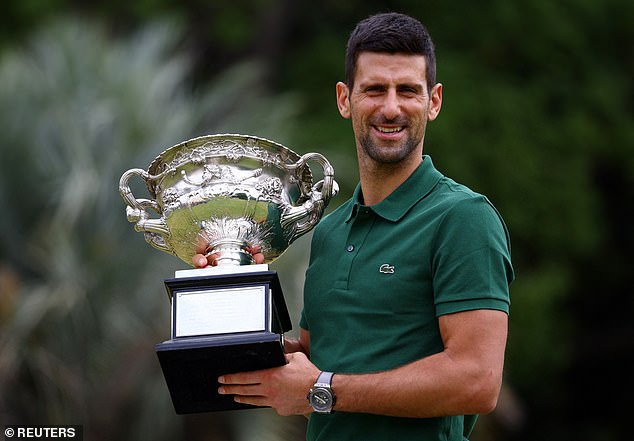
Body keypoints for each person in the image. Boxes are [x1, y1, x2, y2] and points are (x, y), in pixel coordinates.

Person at [195, 12, 514, 441]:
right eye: (375, 89)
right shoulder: (330, 232)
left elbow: (476, 380)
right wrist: (231, 288)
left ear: (434, 101)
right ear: (345, 99)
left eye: (408, 91)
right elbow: (310, 365)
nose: (391, 107)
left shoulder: (463, 219)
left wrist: (321, 390)